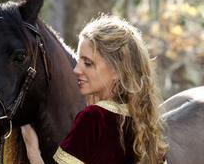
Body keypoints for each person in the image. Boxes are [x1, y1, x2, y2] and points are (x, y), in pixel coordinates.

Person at [52, 15, 168, 164]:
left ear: (117, 71)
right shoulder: (146, 122)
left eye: (87, 63)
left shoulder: (93, 119)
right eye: (78, 60)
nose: (76, 70)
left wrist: (31, 148)